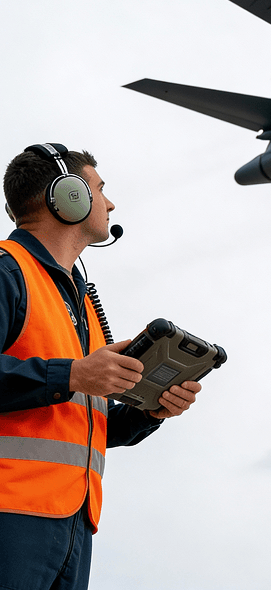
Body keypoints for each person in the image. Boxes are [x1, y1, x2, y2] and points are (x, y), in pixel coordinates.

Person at [0, 143, 201, 590]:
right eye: (100, 188)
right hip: (11, 513)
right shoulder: (7, 271)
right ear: (67, 195)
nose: (109, 203)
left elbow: (79, 423)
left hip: (73, 522)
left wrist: (150, 411)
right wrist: (71, 374)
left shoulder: (82, 302)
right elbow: (65, 383)